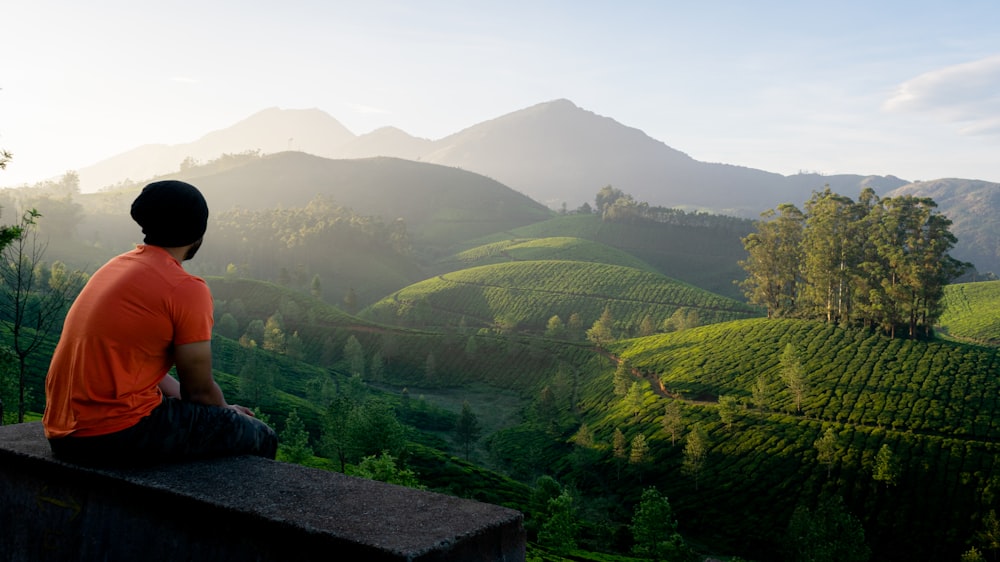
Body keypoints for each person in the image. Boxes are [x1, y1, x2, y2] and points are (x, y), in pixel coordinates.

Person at [42, 179, 277, 466]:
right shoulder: (186, 288)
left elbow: (134, 362)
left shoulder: (116, 266)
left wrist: (220, 412)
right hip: (112, 434)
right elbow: (199, 391)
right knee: (261, 435)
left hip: (63, 431)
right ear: (198, 232)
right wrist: (227, 413)